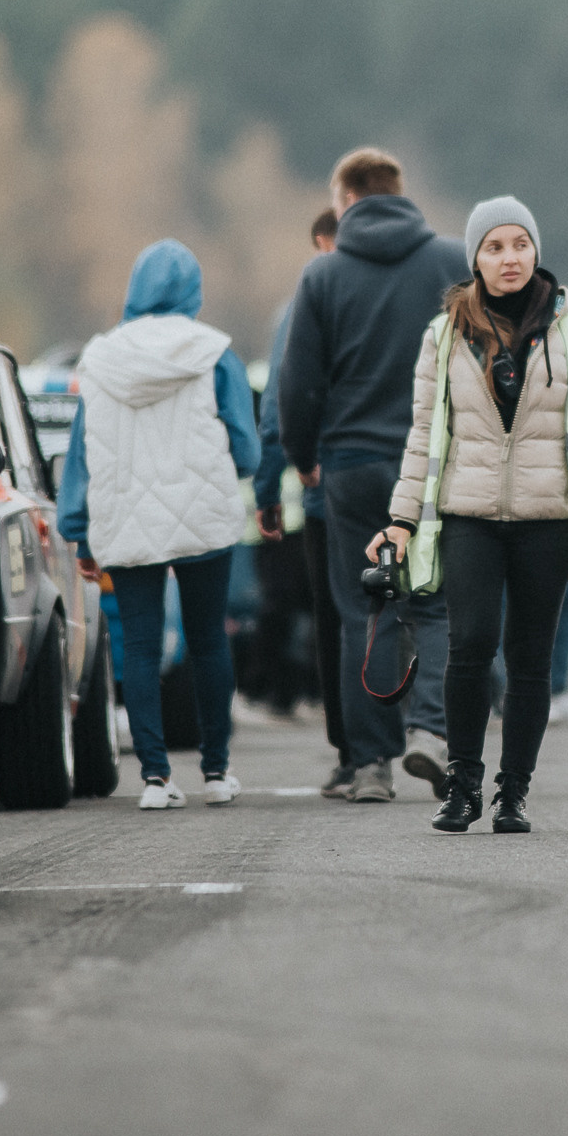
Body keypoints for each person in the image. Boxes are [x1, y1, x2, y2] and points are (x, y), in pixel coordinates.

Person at [374, 198, 568, 832]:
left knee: (531, 658)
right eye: (494, 247)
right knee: (471, 647)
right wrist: (402, 521)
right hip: (470, 512)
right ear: (475, 259)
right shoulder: (445, 335)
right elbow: (423, 434)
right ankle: (462, 783)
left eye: (519, 244)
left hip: (549, 515)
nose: (509, 257)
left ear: (535, 250)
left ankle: (512, 791)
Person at [277, 148, 463, 803]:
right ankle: (430, 733)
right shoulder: (450, 261)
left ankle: (369, 766)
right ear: (397, 191)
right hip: (436, 462)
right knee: (436, 606)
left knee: (363, 610)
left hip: (352, 465)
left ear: (346, 197)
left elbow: (297, 383)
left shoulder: (323, 277)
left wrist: (303, 457)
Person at [67, 240, 259, 811]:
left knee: (144, 646)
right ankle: (218, 773)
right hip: (202, 513)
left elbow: (84, 452)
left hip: (125, 515)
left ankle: (154, 778)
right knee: (206, 642)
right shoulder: (214, 353)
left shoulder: (99, 359)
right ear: (192, 291)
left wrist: (79, 527)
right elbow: (246, 450)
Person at [254, 207, 351, 795]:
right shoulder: (414, 290)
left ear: (320, 242)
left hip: (324, 489)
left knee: (336, 621)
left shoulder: (301, 306)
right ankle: (419, 729)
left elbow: (278, 408)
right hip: (405, 484)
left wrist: (271, 488)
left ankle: (355, 753)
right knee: (400, 613)